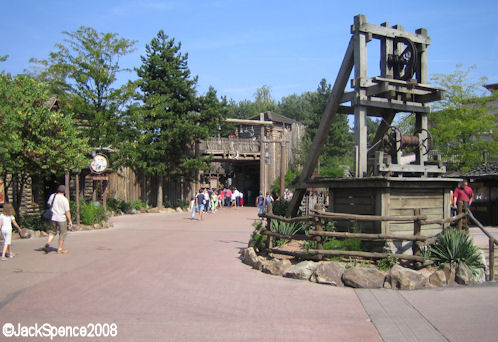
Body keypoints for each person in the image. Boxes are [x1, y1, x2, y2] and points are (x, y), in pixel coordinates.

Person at [42, 185, 73, 254]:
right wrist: (70, 221)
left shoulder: (52, 196)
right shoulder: (64, 199)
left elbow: (49, 204)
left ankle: (48, 243)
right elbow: (67, 211)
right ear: (64, 191)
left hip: (53, 217)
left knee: (53, 231)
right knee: (62, 233)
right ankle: (60, 248)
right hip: (61, 218)